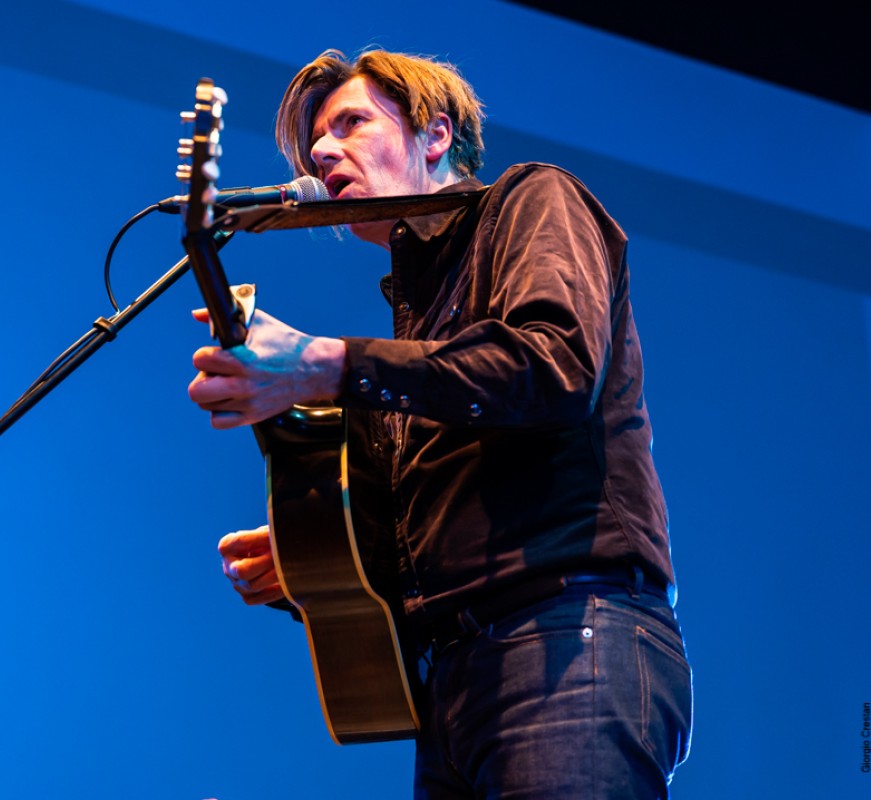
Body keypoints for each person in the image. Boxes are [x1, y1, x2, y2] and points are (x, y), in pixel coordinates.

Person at [188, 48, 692, 799]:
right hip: (452, 679)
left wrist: (325, 363)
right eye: (315, 142)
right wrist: (311, 561)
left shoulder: (531, 199)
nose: (323, 151)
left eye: (351, 122)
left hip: (563, 635)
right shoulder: (411, 326)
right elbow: (408, 560)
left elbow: (554, 367)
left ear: (433, 136)